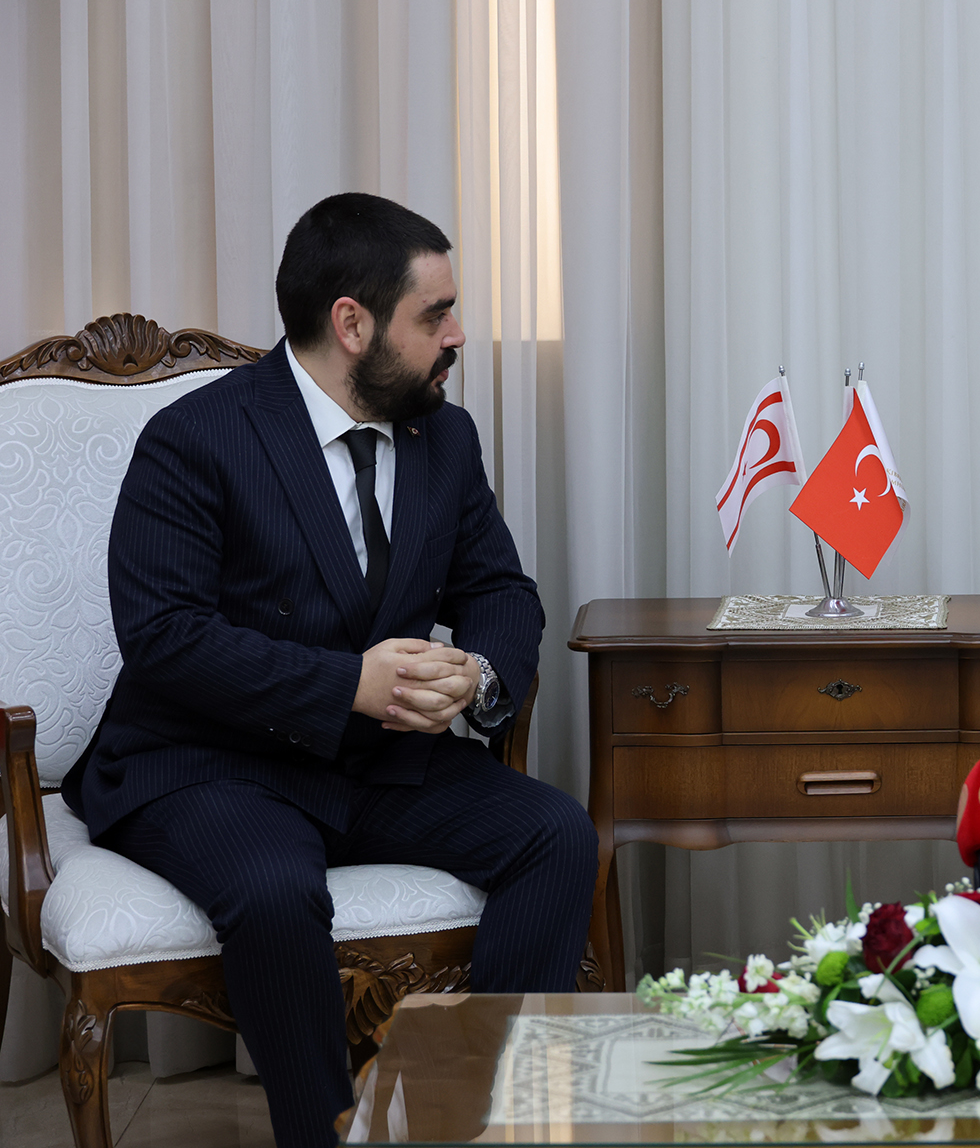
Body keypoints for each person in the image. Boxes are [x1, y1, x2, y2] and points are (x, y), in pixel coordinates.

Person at [63, 193, 599, 1148]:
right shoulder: (197, 439)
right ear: (352, 323)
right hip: (210, 762)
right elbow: (166, 639)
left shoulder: (444, 437)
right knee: (274, 889)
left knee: (556, 833)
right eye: (436, 314)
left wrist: (477, 675)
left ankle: (473, 1118)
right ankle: (327, 1133)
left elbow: (499, 591)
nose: (458, 336)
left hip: (371, 762)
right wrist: (349, 684)